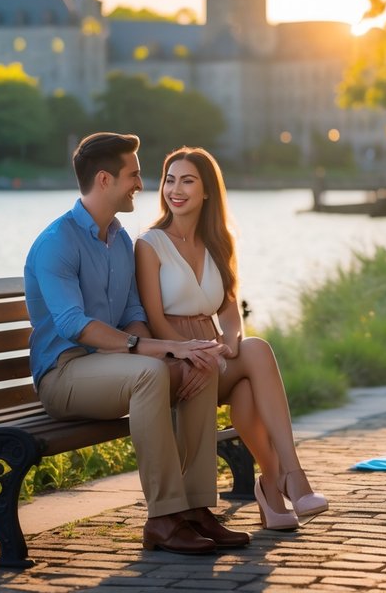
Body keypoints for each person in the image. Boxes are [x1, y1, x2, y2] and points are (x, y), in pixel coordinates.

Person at [24, 131, 250, 555]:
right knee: (150, 373)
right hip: (65, 374)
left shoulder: (119, 239)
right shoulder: (59, 242)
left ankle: (197, 507)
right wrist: (153, 351)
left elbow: (132, 315)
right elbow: (75, 325)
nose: (142, 186)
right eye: (134, 175)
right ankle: (163, 519)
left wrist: (177, 353)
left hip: (111, 368)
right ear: (106, 180)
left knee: (195, 364)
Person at [135, 146, 329, 531]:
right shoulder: (149, 244)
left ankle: (277, 486)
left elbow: (227, 307)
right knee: (249, 372)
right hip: (175, 359)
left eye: (187, 180)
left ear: (207, 191)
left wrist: (230, 340)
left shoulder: (219, 241)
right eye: (170, 180)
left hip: (214, 352)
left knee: (252, 355)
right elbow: (155, 321)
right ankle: (285, 481)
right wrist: (193, 351)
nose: (176, 189)